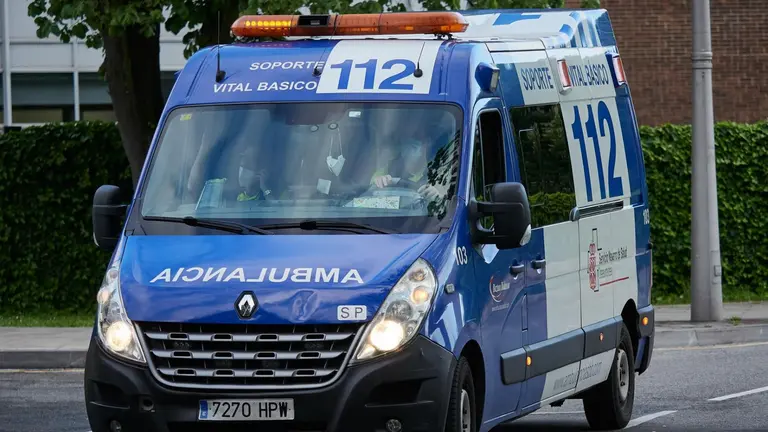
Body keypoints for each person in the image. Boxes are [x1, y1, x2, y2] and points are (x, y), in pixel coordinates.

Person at [371, 112, 445, 202]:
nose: (410, 141)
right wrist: (379, 185)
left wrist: (437, 197)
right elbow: (366, 198)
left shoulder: (439, 175)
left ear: (428, 142)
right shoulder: (383, 172)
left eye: (416, 136)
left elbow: (448, 206)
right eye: (406, 137)